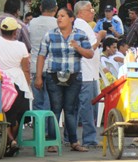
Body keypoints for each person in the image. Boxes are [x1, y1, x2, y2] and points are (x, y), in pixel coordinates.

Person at [34, 8, 94, 153]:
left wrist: (78, 47)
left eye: (62, 16)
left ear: (71, 19)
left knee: (71, 109)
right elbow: (41, 55)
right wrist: (38, 76)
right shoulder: (50, 34)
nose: (59, 19)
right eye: (58, 16)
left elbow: (90, 54)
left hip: (74, 76)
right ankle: (53, 141)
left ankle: (73, 141)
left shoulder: (80, 35)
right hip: (53, 75)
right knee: (55, 108)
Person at [0, 17, 31, 156]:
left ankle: (9, 142)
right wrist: (28, 85)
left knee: (2, 114)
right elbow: (26, 68)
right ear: (15, 32)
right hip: (17, 83)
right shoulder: (21, 46)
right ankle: (11, 141)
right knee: (15, 117)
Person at [71, 1, 106, 147]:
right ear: (80, 12)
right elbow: (89, 48)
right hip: (85, 72)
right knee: (86, 107)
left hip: (90, 72)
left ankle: (75, 137)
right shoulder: (81, 24)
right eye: (89, 9)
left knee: (86, 106)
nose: (92, 12)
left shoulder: (84, 25)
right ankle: (89, 138)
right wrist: (99, 38)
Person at [28, 0, 58, 114]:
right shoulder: (57, 23)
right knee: (50, 101)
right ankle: (48, 130)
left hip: (35, 66)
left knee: (38, 101)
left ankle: (38, 129)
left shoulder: (32, 22)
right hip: (52, 67)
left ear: (40, 8)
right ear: (55, 8)